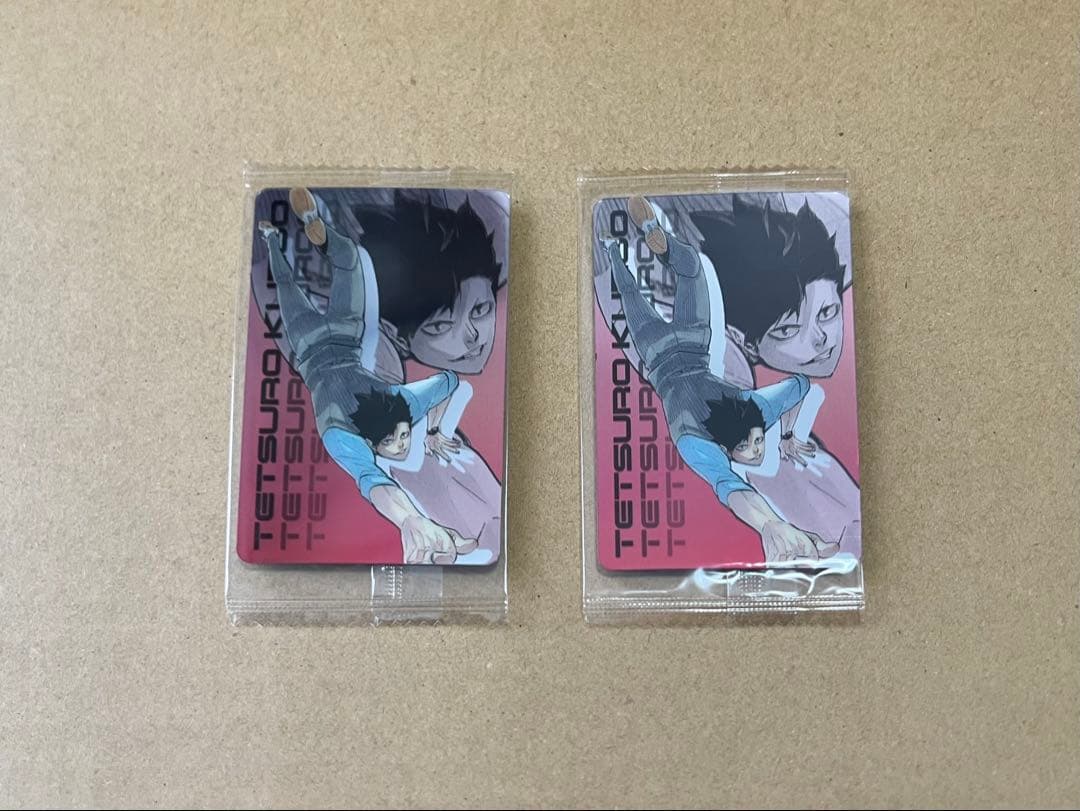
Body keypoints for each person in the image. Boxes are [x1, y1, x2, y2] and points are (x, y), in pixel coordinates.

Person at [601, 196, 836, 562]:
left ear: (728, 448)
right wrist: (771, 522)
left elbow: (799, 386)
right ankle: (625, 248)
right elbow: (732, 485)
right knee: (660, 284)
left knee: (680, 275)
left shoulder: (750, 411)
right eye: (757, 443)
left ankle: (634, 248)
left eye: (751, 445)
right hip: (667, 348)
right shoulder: (709, 433)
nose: (757, 451)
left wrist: (772, 522)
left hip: (677, 344)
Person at [256, 188, 477, 564]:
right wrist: (410, 518)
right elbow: (448, 382)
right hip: (340, 334)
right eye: (395, 442)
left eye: (401, 437)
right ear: (373, 444)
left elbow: (375, 480)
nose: (402, 446)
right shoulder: (385, 412)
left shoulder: (357, 428)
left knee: (310, 278)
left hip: (311, 342)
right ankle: (289, 235)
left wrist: (433, 434)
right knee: (339, 266)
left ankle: (294, 233)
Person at [693, 197, 861, 554]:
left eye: (828, 312)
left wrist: (789, 435)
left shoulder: (774, 404)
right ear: (744, 342)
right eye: (788, 331)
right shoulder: (729, 380)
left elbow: (801, 390)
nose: (819, 339)